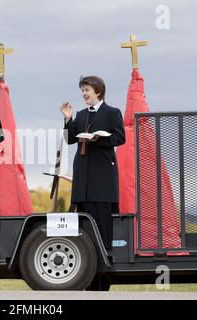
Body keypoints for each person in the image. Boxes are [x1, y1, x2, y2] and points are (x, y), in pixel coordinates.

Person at [61, 75, 125, 250]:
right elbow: (69, 139)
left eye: (87, 90)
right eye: (82, 90)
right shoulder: (81, 115)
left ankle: (106, 253)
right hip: (82, 173)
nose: (83, 93)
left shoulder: (113, 112)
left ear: (98, 91)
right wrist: (67, 119)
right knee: (83, 217)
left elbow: (120, 137)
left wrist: (98, 139)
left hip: (102, 174)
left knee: (102, 216)